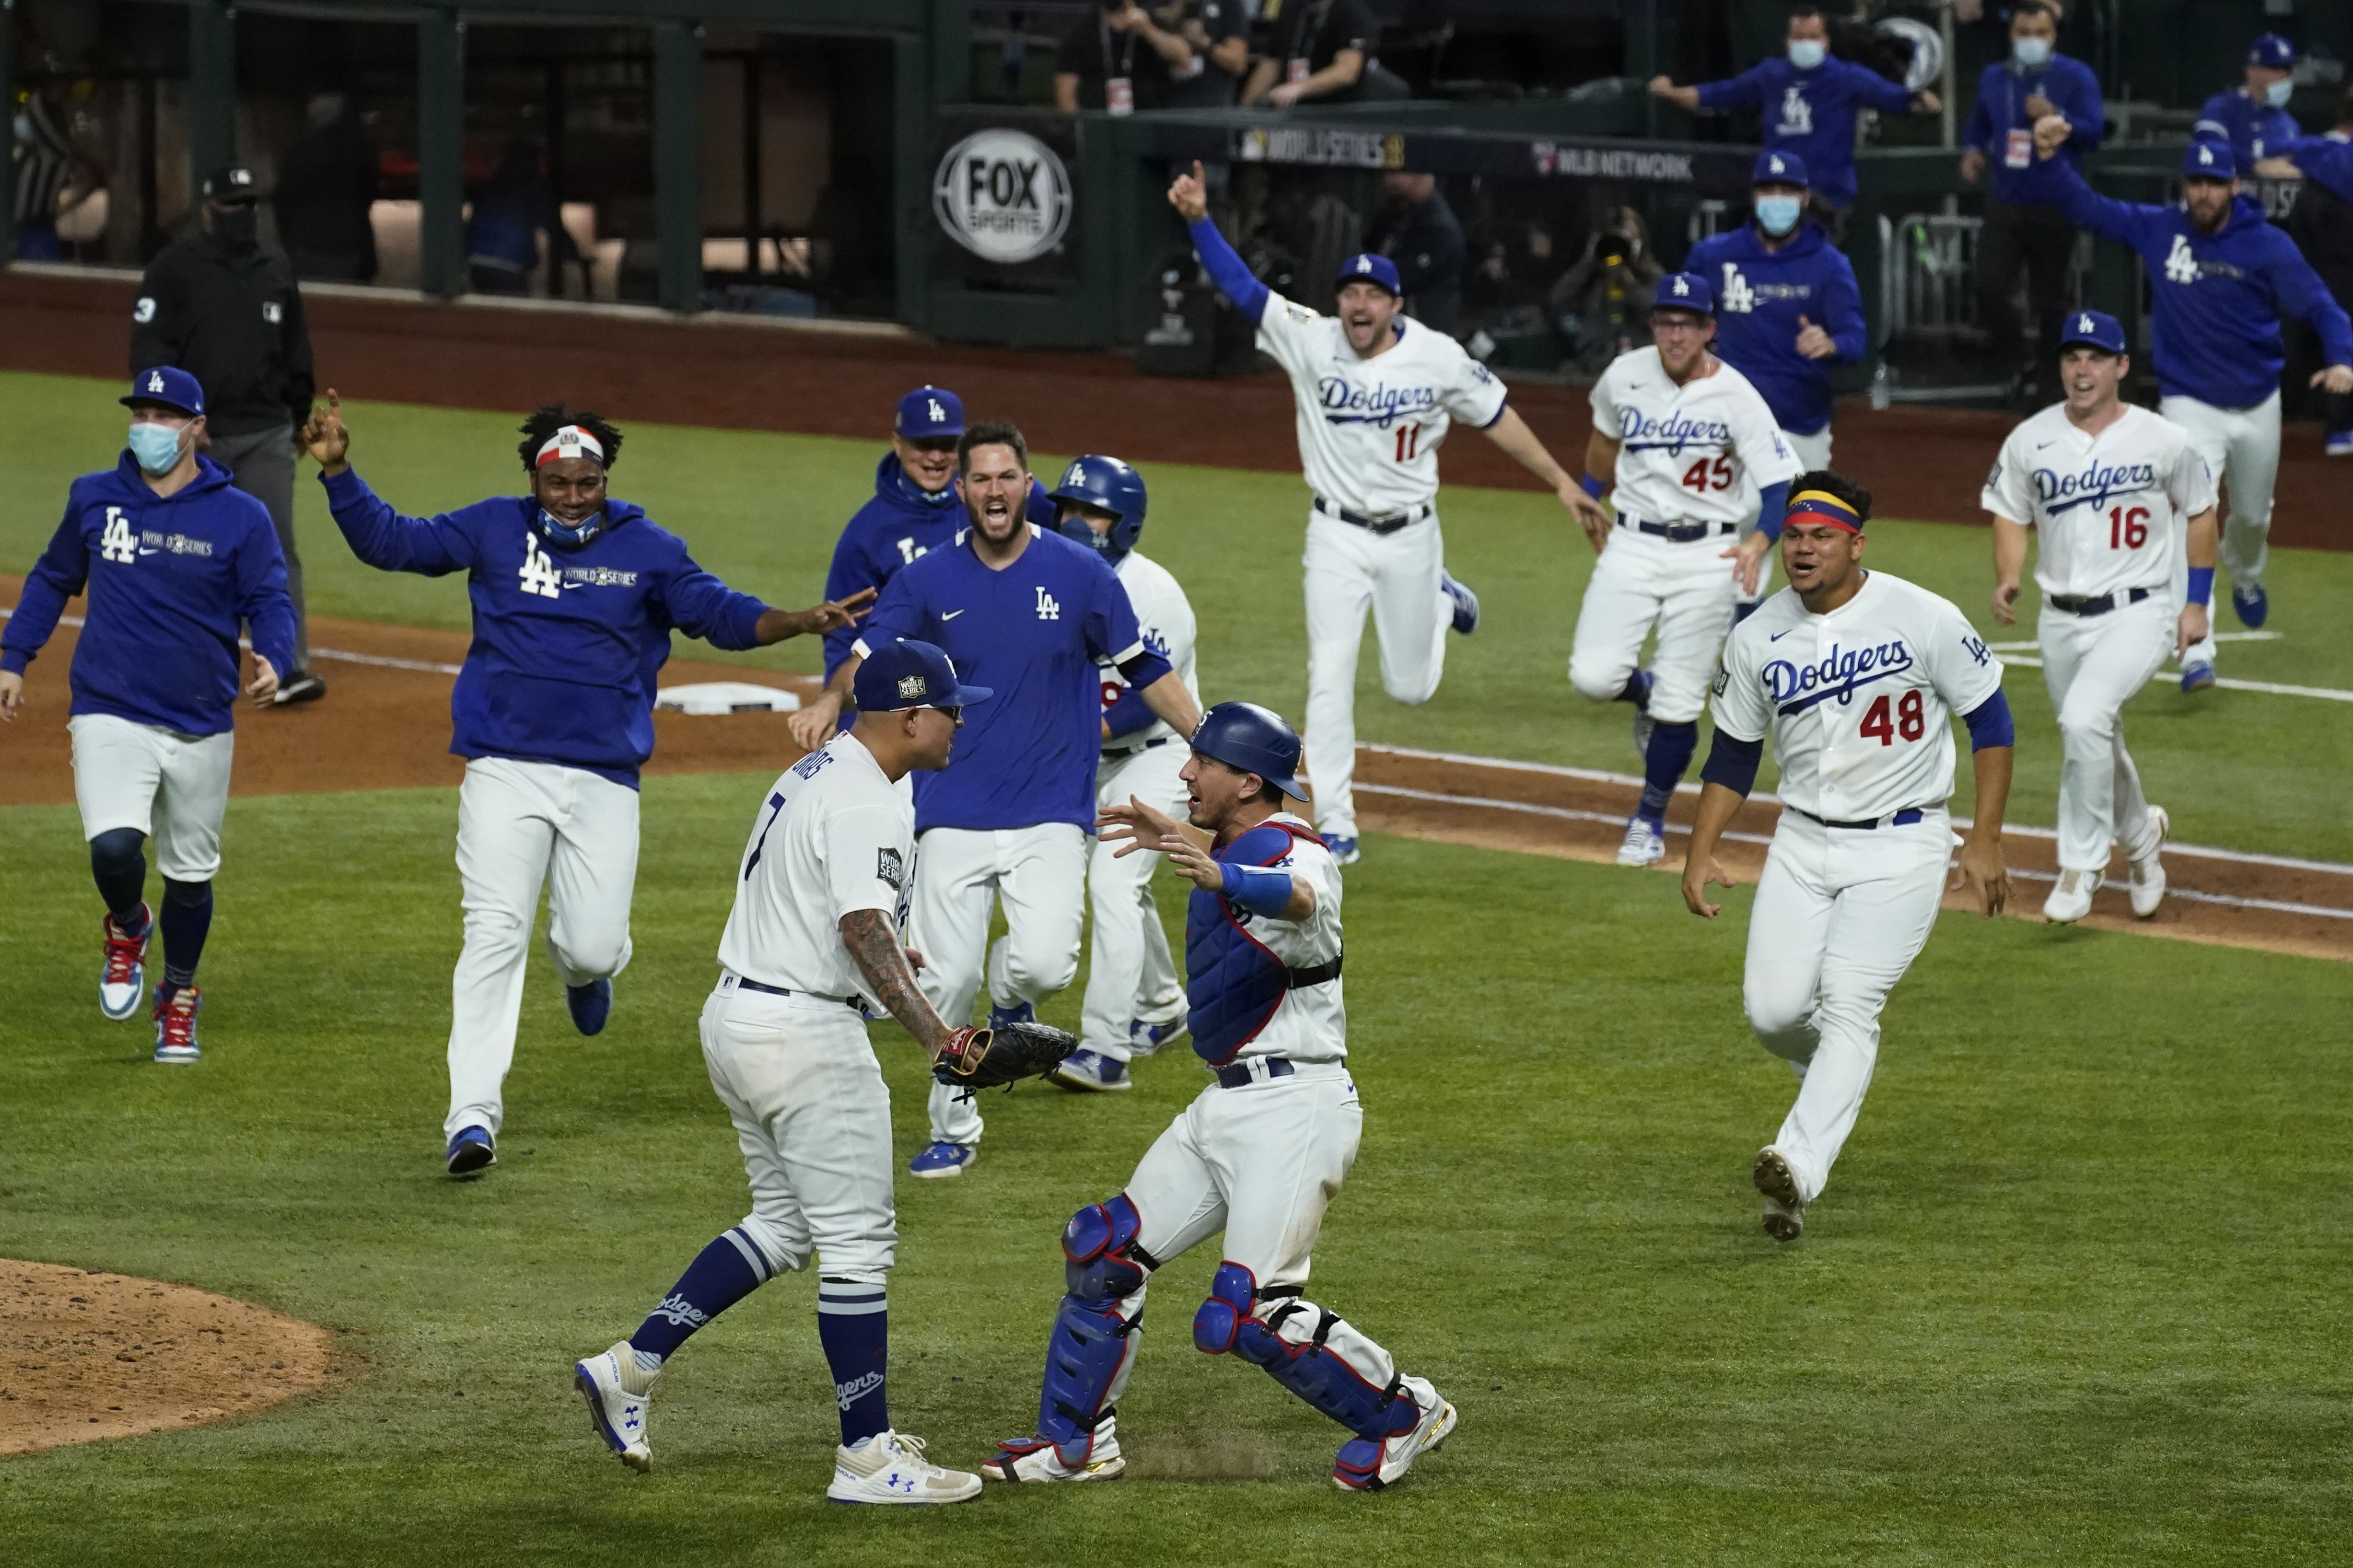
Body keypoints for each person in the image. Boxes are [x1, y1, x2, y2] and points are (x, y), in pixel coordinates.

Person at [300, 395, 871, 1176]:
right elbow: (393, 544)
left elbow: (719, 614)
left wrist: (798, 621)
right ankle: (471, 1114)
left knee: (592, 944)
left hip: (604, 778)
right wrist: (337, 470)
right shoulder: (492, 527)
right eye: (559, 481)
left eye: (587, 481)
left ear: (606, 480)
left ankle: (586, 972)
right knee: (494, 933)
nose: (573, 495)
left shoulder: (649, 549)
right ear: (535, 479)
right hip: (503, 768)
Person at [980, 702, 1457, 1492]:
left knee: (1246, 1313)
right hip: (1226, 1107)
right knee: (1103, 1252)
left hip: (1294, 1109)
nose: (1183, 772)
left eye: (1200, 761)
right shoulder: (1235, 841)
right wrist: (1192, 845)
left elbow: (1297, 899)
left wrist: (1217, 870)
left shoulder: (1302, 855)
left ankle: (1403, 1412)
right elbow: (1246, 871)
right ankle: (1075, 1445)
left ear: (1245, 781)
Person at [572, 639, 990, 1504]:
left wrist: (884, 962)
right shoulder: (865, 799)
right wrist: (937, 1039)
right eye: (951, 707)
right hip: (802, 1036)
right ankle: (867, 1457)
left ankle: (631, 1366)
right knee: (856, 1245)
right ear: (909, 717)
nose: (960, 720)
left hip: (739, 1017)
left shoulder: (821, 769)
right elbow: (861, 931)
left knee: (787, 1225)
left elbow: (832, 911)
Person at [787, 420, 1204, 1178]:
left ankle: (1011, 999)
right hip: (951, 805)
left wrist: (1207, 741)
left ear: (1026, 483)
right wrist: (827, 702)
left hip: (1051, 804)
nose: (993, 491)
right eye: (978, 479)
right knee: (944, 980)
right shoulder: (926, 580)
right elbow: (869, 652)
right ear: (962, 490)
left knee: (1045, 964)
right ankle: (954, 1123)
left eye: (1006, 477)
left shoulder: (1082, 574)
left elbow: (1146, 667)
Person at [1168, 160, 1602, 863]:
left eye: (1373, 294)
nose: (1359, 305)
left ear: (1396, 305)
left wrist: (1559, 479)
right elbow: (1243, 289)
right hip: (1334, 533)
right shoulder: (1311, 337)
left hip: (1411, 538)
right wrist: (1200, 222)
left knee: (1410, 687)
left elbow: (1497, 415)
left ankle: (1438, 599)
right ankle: (1337, 820)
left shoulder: (1437, 357)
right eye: (1350, 293)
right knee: (1329, 674)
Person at [1683, 470, 2015, 1243]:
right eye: (1795, 534)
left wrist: (1988, 838)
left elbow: (1992, 722)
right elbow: (1732, 756)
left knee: (1851, 1002)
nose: (1802, 549)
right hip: (1801, 840)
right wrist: (1700, 852)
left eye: (1820, 537)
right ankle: (1828, 1079)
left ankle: (1796, 1167)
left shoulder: (1921, 615)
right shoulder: (1758, 633)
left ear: (1855, 544)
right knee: (1773, 1013)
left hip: (1904, 842)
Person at [0, 369, 294, 1064]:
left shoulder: (240, 516)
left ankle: (179, 996)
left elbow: (271, 597)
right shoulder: (95, 497)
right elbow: (51, 576)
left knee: (191, 876)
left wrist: (277, 657)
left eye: (166, 415)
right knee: (113, 845)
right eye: (142, 412)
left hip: (200, 718)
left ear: (196, 427)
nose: (150, 426)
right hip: (110, 706)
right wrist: (15, 656)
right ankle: (129, 925)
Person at [2030, 118, 2353, 689]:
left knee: (2251, 517)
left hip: (2256, 404)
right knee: (2187, 515)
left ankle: (2247, 573)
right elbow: (2088, 208)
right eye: (2195, 181)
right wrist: (2054, 158)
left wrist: (2344, 359)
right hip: (2187, 404)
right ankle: (2197, 645)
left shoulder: (2266, 245)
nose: (2203, 192)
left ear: (2235, 185)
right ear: (2184, 185)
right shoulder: (2160, 229)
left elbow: (2326, 308)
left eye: (2214, 181)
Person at [1982, 311, 2218, 923]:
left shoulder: (2165, 439)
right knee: (2097, 738)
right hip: (2059, 619)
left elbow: (2201, 509)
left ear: (2122, 367)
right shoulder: (2030, 439)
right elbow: (2009, 512)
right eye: (2071, 358)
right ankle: (2143, 843)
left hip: (2139, 612)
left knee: (2085, 719)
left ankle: (2080, 865)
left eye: (2095, 358)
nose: (2081, 370)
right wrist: (2009, 575)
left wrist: (2196, 601)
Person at [1567, 271, 1802, 868]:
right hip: (1633, 542)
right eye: (1666, 322)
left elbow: (1780, 483)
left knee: (1681, 701)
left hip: (1710, 555)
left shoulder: (1738, 396)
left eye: (1687, 323)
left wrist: (1757, 543)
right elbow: (1604, 438)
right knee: (1594, 677)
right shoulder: (1624, 376)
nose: (1675, 334)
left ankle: (1648, 817)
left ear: (1709, 330)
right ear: (1654, 327)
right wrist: (1592, 493)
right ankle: (1642, 692)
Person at [131, 164, 326, 707]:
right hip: (192, 440)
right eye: (233, 206)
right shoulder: (174, 269)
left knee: (274, 549)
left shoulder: (275, 267)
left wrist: (297, 415)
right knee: (174, 546)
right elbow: (149, 351)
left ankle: (285, 669)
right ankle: (164, 667)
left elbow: (295, 348)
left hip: (266, 430)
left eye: (249, 206)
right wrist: (174, 420)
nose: (243, 215)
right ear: (209, 210)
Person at [1046, 455, 1199, 1093]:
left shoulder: (1153, 591)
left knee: (1111, 879)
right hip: (1090, 753)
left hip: (1160, 750)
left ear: (1125, 523)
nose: (1079, 522)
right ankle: (1164, 1003)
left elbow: (1141, 700)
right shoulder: (1048, 574)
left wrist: (1071, 738)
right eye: (1071, 509)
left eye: (1095, 513)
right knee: (1110, 883)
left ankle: (1106, 1049)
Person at [1685, 150, 1866, 620]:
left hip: (1797, 427)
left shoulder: (1830, 264)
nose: (1778, 200)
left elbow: (1857, 339)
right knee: (1721, 539)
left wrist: (1829, 341)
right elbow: (1681, 323)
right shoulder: (1714, 256)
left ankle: (1810, 650)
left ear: (1805, 199)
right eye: (1769, 190)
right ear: (1754, 196)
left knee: (1807, 546)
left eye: (1787, 191)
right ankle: (1724, 640)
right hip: (1725, 428)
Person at [818, 385, 1057, 689]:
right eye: (923, 444)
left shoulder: (1011, 494)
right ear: (898, 443)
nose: (936, 457)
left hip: (1010, 675)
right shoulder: (869, 532)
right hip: (918, 691)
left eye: (947, 444)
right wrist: (842, 707)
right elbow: (845, 635)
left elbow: (1073, 544)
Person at [1649, 3, 1940, 218]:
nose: (1805, 44)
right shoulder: (1770, 75)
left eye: (1812, 37)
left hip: (1827, 200)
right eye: (1798, 38)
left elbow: (1898, 99)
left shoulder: (1848, 78)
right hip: (1777, 195)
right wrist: (1671, 93)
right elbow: (1718, 94)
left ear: (1825, 42)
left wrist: (1923, 102)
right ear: (1788, 41)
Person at [1958, 0, 2103, 401]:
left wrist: (2057, 116)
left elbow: (2094, 133)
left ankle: (2050, 385)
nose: (2032, 41)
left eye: (2040, 34)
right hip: (2007, 199)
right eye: (2024, 33)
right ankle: (2019, 358)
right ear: (2011, 34)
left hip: (2056, 201)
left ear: (2054, 35)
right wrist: (1972, 149)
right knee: (1988, 287)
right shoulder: (1994, 77)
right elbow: (1979, 123)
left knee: (2050, 300)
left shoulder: (2075, 76)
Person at [2271, 100, 2353, 455]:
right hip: (2338, 252)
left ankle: (2282, 418)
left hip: (2304, 254)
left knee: (2303, 324)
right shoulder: (2336, 154)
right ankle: (2340, 427)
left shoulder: (2311, 148)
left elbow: (2265, 157)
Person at [273, 93, 379, 284]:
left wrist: (290, 240)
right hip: (349, 243)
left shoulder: (299, 152)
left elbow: (283, 200)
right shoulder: (358, 149)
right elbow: (370, 189)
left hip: (307, 245)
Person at [1548, 207, 1662, 376]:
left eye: (1628, 239)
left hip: (1640, 368)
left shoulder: (1652, 276)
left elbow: (1656, 314)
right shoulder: (1593, 278)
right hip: (1595, 367)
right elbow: (1559, 300)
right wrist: (1590, 260)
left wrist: (1630, 283)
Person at [467, 138, 579, 296]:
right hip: (510, 262)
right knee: (513, 315)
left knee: (491, 312)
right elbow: (552, 225)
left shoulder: (495, 182)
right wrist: (572, 253)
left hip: (476, 259)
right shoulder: (534, 186)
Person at [1240, 0, 1393, 109]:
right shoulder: (1293, 8)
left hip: (1337, 114)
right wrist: (1245, 110)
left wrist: (1298, 89)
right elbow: (1271, 64)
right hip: (1293, 115)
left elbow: (1347, 71)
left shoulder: (1352, 12)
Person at [1365, 172, 1466, 336]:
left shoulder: (1438, 227)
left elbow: (1402, 276)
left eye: (1399, 174)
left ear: (1422, 178)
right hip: (1389, 325)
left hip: (1423, 327)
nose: (1389, 180)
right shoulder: (1394, 214)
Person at [1055, 2, 1197, 115]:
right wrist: (1081, 130)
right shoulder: (1081, 32)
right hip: (1099, 124)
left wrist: (1148, 31)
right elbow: (1066, 95)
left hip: (1149, 124)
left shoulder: (1151, 21)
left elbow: (1183, 57)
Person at [2194, 33, 2303, 171]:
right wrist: (2256, 165)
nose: (2283, 75)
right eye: (2275, 68)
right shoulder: (2221, 107)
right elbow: (2209, 146)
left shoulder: (2289, 124)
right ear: (2251, 71)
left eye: (2288, 69)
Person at [1159, 0, 1251, 109]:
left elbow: (1238, 63)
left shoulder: (1228, 4)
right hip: (1165, 100)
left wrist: (1205, 43)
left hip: (1211, 104)